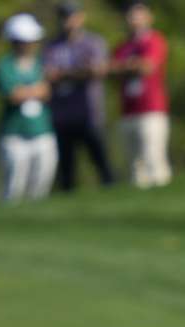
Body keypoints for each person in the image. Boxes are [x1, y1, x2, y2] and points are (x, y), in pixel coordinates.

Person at [44, 0, 115, 191]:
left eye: (71, 16)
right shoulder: (51, 45)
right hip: (62, 115)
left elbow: (96, 71)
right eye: (64, 16)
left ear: (81, 17)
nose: (67, 21)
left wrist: (64, 74)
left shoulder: (93, 42)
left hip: (88, 112)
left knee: (102, 163)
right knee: (67, 171)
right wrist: (79, 72)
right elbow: (48, 75)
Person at [0, 13, 57, 201]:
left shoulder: (41, 63)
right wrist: (36, 89)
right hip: (14, 135)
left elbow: (47, 91)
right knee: (13, 190)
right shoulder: (4, 65)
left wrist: (28, 90)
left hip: (42, 132)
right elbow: (14, 95)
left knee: (40, 189)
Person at [110, 1, 171, 188]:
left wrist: (125, 67)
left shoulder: (155, 40)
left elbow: (147, 67)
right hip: (128, 111)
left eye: (138, 14)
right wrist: (131, 66)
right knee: (134, 167)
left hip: (151, 109)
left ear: (148, 18)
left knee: (153, 158)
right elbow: (111, 71)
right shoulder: (122, 46)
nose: (134, 19)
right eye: (131, 15)